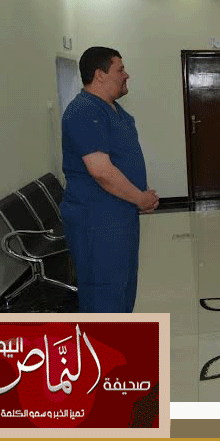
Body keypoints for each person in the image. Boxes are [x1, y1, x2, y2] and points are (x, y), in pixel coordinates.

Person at [60, 46, 159, 312]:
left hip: (120, 217)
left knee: (122, 287)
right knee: (103, 293)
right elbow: (100, 171)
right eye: (120, 69)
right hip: (97, 221)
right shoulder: (84, 111)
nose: (126, 75)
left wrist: (139, 196)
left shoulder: (114, 111)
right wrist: (140, 198)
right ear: (100, 74)